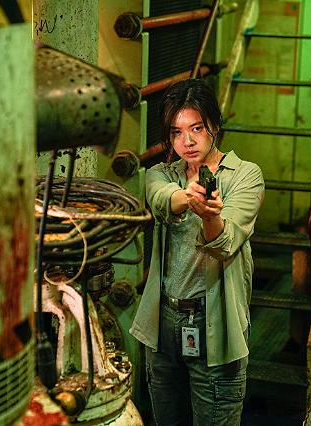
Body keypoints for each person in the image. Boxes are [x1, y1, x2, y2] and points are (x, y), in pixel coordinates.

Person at [129, 78, 265, 425]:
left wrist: (210, 216)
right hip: (163, 324)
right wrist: (186, 198)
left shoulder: (245, 176)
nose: (186, 141)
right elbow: (160, 198)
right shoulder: (161, 174)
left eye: (196, 128)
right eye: (176, 132)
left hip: (214, 323)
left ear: (214, 126)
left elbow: (227, 242)